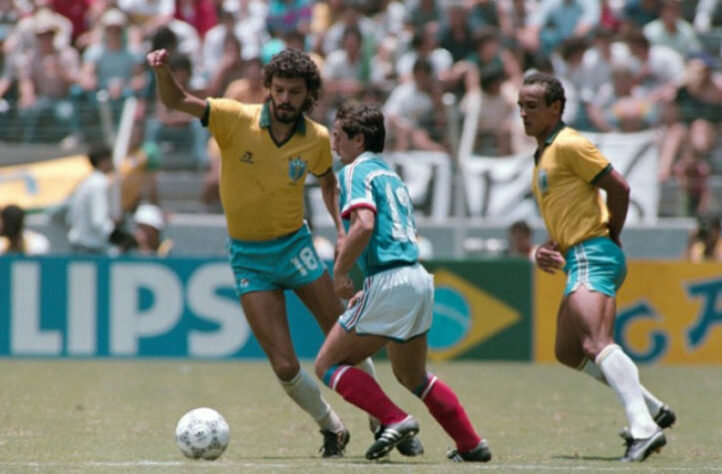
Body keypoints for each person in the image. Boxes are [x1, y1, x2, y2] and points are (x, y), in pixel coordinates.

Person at [146, 47, 422, 457]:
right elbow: (175, 101)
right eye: (279, 90)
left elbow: (329, 184)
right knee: (285, 366)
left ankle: (384, 419)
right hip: (249, 258)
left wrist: (341, 230)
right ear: (267, 90)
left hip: (296, 247)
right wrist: (163, 71)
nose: (286, 99)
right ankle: (331, 427)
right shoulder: (233, 118)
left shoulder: (316, 138)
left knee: (347, 337)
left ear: (308, 93)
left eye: (295, 91)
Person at [314, 102, 491, 463]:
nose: (334, 144)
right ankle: (471, 443)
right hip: (417, 277)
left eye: (338, 137)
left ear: (358, 139)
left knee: (327, 365)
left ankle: (394, 420)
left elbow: (363, 225)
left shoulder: (353, 172)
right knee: (413, 375)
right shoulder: (392, 176)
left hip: (391, 278)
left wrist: (340, 271)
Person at [518, 72, 675, 462]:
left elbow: (618, 187)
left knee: (596, 342)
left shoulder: (570, 143)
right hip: (579, 254)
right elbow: (570, 211)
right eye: (520, 106)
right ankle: (653, 408)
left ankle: (644, 427)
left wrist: (611, 234)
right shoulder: (544, 153)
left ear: (556, 109)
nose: (523, 114)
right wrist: (546, 247)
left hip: (593, 252)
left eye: (532, 106)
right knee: (568, 350)